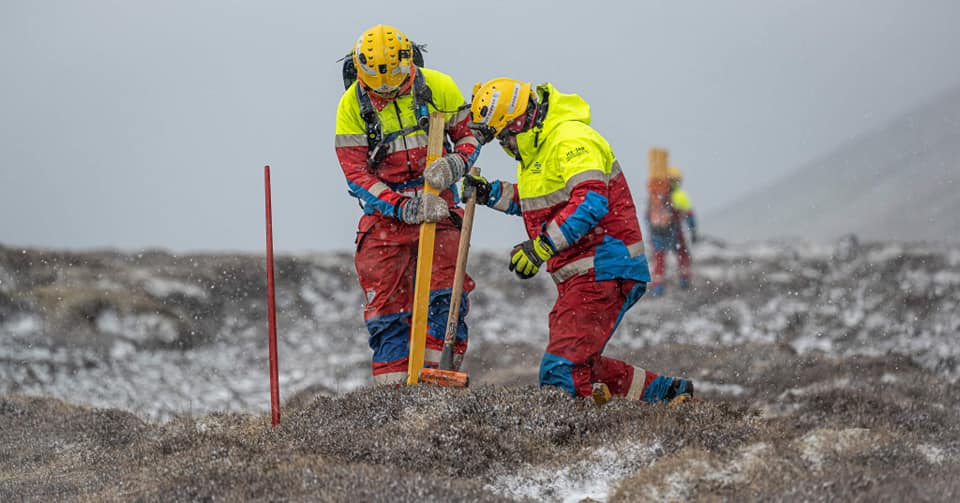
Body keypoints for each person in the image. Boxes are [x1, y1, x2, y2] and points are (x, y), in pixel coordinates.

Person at [462, 78, 694, 404]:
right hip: (584, 274)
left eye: (504, 137)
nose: (505, 146)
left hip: (603, 267)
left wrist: (541, 247)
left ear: (517, 122)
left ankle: (581, 430)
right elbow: (536, 201)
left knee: (562, 371)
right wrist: (490, 193)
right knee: (581, 365)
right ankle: (667, 396)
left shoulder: (570, 139)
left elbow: (590, 202)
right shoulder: (539, 151)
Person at [334, 24, 479, 385]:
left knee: (446, 301)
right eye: (377, 85)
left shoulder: (439, 87)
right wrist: (402, 207)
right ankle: (394, 396)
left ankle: (436, 388)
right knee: (387, 314)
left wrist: (456, 163)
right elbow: (356, 175)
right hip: (385, 218)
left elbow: (470, 135)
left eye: (395, 82)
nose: (386, 90)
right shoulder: (351, 105)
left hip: (440, 207)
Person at [647, 166, 698, 296]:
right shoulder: (679, 195)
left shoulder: (655, 197)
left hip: (657, 233)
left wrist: (651, 234)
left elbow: (647, 217)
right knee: (683, 254)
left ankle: (658, 288)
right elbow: (689, 215)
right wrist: (693, 231)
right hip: (674, 232)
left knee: (659, 260)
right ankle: (684, 282)